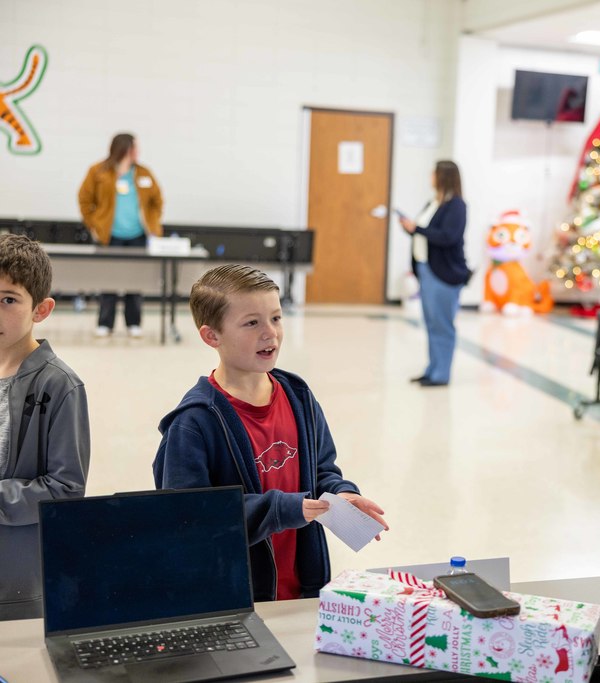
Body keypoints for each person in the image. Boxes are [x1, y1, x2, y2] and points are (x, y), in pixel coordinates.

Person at [152, 265, 388, 601]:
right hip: (233, 597)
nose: (270, 333)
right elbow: (188, 520)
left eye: (276, 318)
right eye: (252, 323)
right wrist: (280, 510)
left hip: (303, 590)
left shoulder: (298, 396)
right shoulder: (193, 424)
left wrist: (342, 495)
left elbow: (322, 470)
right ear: (211, 336)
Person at [0, 234, 90, 620]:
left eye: (8, 300)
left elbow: (65, 489)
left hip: (16, 585)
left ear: (41, 309)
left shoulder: (59, 385)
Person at [78, 133, 163, 338]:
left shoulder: (144, 173)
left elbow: (157, 201)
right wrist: (94, 225)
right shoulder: (98, 171)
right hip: (110, 237)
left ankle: (134, 322)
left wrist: (153, 224)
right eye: (135, 148)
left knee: (135, 280)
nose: (138, 152)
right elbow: (84, 199)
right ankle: (105, 323)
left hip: (137, 236)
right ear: (124, 149)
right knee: (109, 280)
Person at [399, 160, 471, 387]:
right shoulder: (434, 203)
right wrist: (411, 228)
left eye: (434, 173)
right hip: (427, 269)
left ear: (444, 177)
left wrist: (417, 229)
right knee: (431, 322)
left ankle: (441, 374)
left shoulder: (456, 206)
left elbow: (447, 236)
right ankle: (432, 369)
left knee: (442, 324)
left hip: (444, 273)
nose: (430, 176)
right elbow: (426, 233)